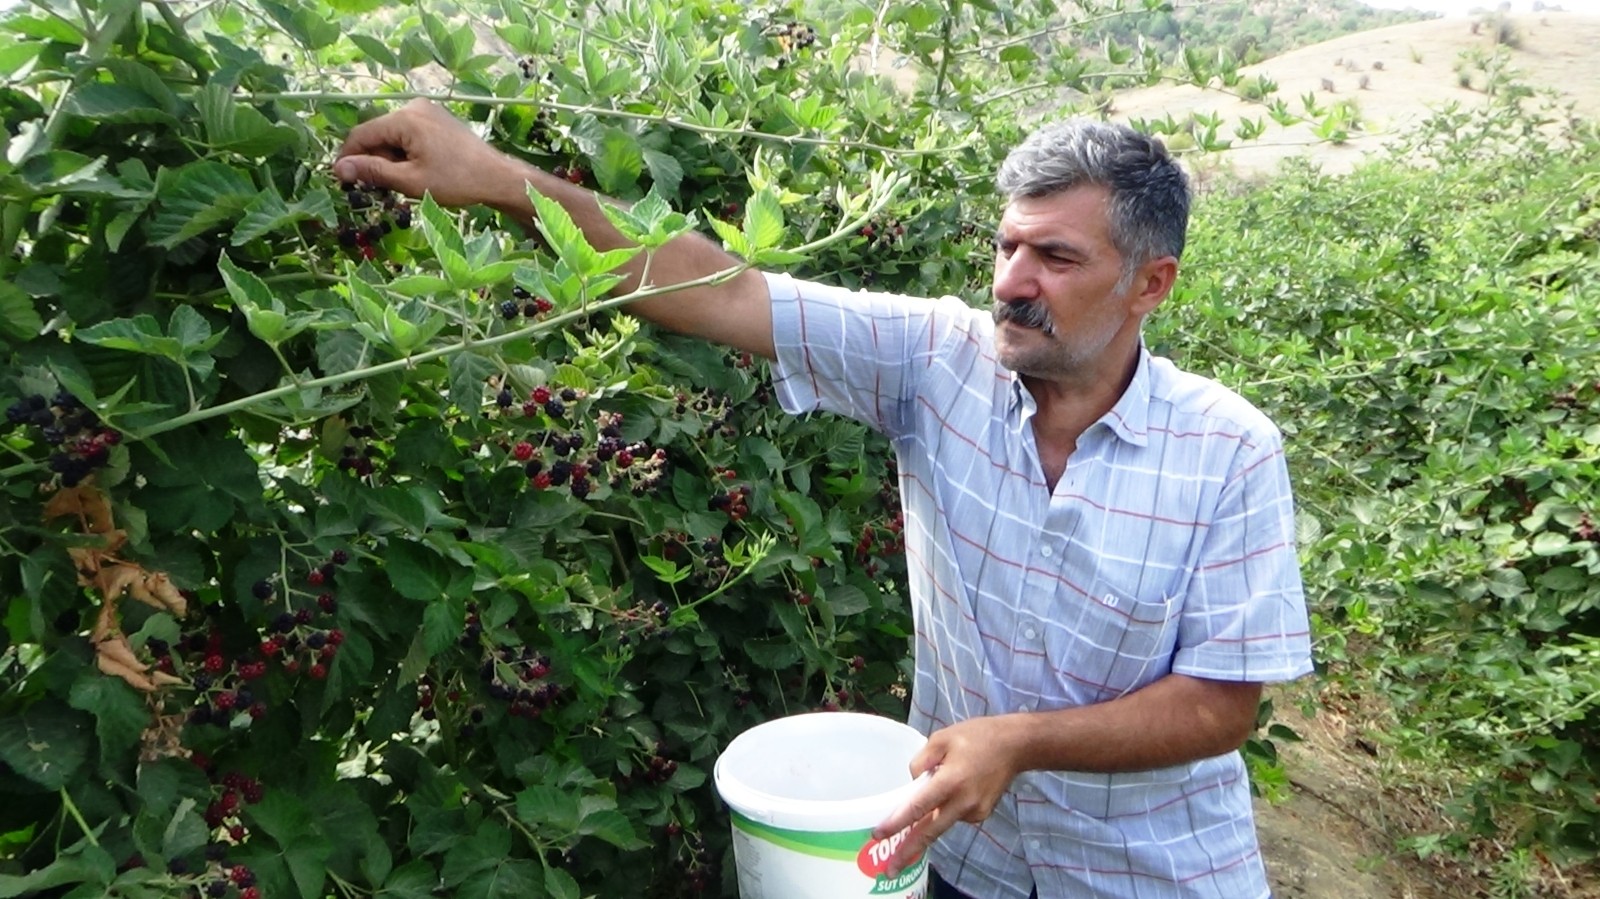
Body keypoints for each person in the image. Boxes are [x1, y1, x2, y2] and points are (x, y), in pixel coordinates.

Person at [335, 99, 1313, 898]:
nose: (1012, 283)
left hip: (1151, 874)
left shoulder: (1226, 451)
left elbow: (1220, 705)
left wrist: (1020, 740)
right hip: (962, 861)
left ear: (1151, 282)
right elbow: (717, 290)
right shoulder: (938, 361)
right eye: (1007, 246)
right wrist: (498, 179)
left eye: (1056, 258)